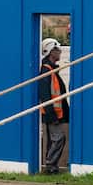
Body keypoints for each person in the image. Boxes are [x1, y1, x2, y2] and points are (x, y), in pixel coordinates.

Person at [37, 38, 69, 175]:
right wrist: (52, 115)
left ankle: (52, 165)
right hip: (52, 114)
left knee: (55, 139)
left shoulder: (51, 70)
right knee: (58, 138)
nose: (60, 52)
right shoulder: (46, 71)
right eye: (58, 50)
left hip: (56, 113)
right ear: (51, 52)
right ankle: (50, 166)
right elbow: (45, 95)